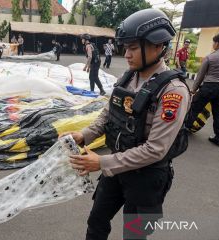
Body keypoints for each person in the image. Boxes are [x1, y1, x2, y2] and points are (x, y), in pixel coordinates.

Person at [62, 9, 190, 240]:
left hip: (146, 177)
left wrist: (101, 161)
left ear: (158, 45)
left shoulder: (173, 91)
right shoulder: (129, 77)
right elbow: (109, 113)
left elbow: (156, 149)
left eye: (133, 48)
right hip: (117, 168)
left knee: (134, 235)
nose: (126, 54)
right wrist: (85, 134)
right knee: (96, 221)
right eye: (126, 47)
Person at [185, 33, 219, 147]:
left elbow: (200, 75)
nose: (213, 44)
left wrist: (194, 89)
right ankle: (218, 138)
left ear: (218, 43)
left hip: (209, 87)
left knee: (195, 108)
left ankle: (184, 130)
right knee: (218, 114)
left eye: (214, 42)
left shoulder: (210, 57)